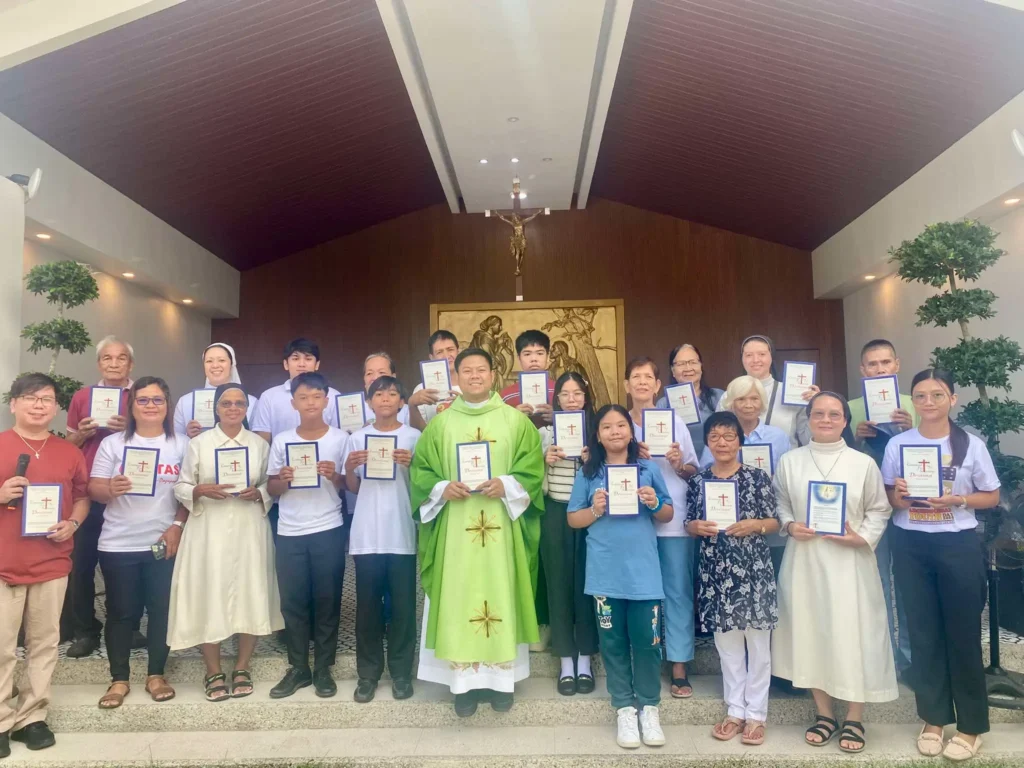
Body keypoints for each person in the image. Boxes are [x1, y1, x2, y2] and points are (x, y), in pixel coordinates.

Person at [409, 348, 544, 717]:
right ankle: (463, 685)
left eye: (481, 370)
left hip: (503, 528)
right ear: (457, 376)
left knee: (501, 589)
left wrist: (508, 484)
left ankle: (501, 682)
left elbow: (533, 469)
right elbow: (421, 473)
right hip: (456, 529)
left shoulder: (516, 422)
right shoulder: (440, 425)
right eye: (466, 370)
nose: (474, 376)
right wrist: (441, 488)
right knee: (460, 593)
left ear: (492, 375)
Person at [883, 370, 999, 762]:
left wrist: (959, 500)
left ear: (952, 399)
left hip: (957, 544)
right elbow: (891, 496)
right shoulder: (899, 444)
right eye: (920, 395)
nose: (928, 402)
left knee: (963, 634)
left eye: (937, 394)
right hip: (911, 544)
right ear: (912, 401)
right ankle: (933, 719)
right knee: (923, 632)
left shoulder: (971, 445)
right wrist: (899, 497)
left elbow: (991, 495)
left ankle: (970, 726)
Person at [773, 392, 897, 754]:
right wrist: (790, 525)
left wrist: (862, 537)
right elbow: (780, 502)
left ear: (845, 421)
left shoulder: (863, 463)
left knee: (853, 634)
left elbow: (879, 509)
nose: (825, 420)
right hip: (805, 560)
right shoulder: (790, 461)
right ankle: (824, 713)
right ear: (808, 419)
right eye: (818, 414)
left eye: (833, 414)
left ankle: (854, 716)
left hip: (850, 563)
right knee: (810, 632)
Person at [566, 404, 673, 749]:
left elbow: (668, 514)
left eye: (621, 425)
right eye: (607, 427)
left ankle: (649, 708)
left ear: (631, 431)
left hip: (643, 573)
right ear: (597, 435)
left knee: (648, 643)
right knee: (612, 644)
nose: (615, 431)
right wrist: (595, 509)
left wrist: (654, 502)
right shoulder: (588, 473)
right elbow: (573, 519)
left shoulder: (648, 468)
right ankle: (624, 708)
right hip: (605, 573)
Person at [169, 383, 283, 701]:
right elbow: (181, 484)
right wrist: (198, 490)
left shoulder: (259, 445)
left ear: (247, 409)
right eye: (226, 403)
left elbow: (269, 484)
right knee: (210, 593)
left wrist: (259, 493)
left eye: (239, 403)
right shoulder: (199, 444)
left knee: (251, 591)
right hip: (209, 530)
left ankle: (243, 665)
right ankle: (212, 670)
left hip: (249, 527)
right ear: (216, 409)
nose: (233, 408)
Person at [0, 373, 89, 755]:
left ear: (55, 408)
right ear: (13, 404)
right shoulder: (1, 444)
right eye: (31, 398)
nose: (39, 405)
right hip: (4, 564)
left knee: (44, 644)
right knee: (2, 647)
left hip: (52, 562)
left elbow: (82, 497)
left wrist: (73, 524)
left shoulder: (68, 451)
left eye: (47, 399)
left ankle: (32, 717)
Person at [89, 377, 187, 708]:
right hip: (119, 543)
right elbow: (94, 488)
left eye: (157, 399)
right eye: (142, 400)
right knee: (121, 613)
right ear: (131, 406)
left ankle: (156, 675)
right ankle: (119, 679)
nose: (150, 406)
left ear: (167, 405)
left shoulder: (182, 444)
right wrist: (110, 489)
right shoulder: (113, 444)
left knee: (161, 610)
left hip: (163, 542)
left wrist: (177, 526)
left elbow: (188, 492)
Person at [686, 411, 779, 747]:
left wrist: (755, 525)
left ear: (740, 441)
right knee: (727, 647)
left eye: (729, 436)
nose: (722, 442)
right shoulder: (698, 481)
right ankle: (735, 710)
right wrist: (695, 527)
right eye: (715, 437)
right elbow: (688, 522)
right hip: (716, 571)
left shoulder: (757, 477)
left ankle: (757, 715)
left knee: (758, 646)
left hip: (753, 571)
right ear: (707, 443)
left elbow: (775, 522)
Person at [265, 373, 346, 699]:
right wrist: (282, 480)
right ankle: (298, 667)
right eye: (303, 397)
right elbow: (272, 487)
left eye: (316, 396)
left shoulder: (340, 439)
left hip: (328, 527)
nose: (310, 402)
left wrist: (334, 475)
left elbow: (349, 485)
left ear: (326, 400)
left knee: (328, 599)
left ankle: (324, 668)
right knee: (293, 602)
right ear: (293, 403)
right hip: (290, 530)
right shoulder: (282, 440)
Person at [342, 375, 421, 703]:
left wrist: (413, 465)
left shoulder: (413, 437)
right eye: (379, 394)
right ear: (369, 401)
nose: (385, 399)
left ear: (402, 402)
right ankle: (368, 675)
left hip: (401, 531)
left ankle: (401, 673)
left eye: (392, 394)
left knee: (403, 607)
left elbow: (424, 485)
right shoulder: (357, 438)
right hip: (367, 533)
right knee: (368, 608)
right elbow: (353, 487)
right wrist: (349, 468)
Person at [624, 357, 698, 699]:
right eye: (635, 377)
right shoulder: (619, 423)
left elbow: (693, 471)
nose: (642, 382)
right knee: (637, 593)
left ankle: (679, 663)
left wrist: (678, 463)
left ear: (657, 385)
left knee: (677, 591)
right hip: (632, 520)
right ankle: (643, 660)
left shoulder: (675, 422)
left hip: (673, 519)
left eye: (648, 377)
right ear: (626, 385)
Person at [847, 339, 917, 683]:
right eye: (872, 364)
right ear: (863, 370)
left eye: (885, 362)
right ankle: (883, 655)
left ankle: (911, 658)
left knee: (907, 582)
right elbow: (841, 457)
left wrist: (910, 429)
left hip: (909, 507)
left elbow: (934, 450)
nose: (879, 369)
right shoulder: (850, 408)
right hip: (867, 507)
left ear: (896, 365)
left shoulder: (915, 403)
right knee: (875, 584)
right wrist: (857, 439)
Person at [63, 335, 134, 657]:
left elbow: (154, 439)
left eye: (121, 358)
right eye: (107, 358)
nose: (114, 363)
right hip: (86, 492)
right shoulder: (82, 396)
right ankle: (85, 630)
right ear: (98, 363)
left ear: (130, 364)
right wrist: (81, 434)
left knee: (123, 564)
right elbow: (68, 447)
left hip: (128, 492)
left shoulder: (140, 395)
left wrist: (128, 428)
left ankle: (127, 627)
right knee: (81, 564)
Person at [538, 372, 599, 695]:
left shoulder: (596, 431)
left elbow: (610, 476)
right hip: (555, 514)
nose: (572, 399)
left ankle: (585, 660)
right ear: (557, 398)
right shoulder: (545, 434)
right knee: (558, 585)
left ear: (585, 397)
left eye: (577, 393)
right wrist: (544, 461)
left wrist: (593, 462)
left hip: (591, 517)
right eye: (565, 394)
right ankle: (565, 662)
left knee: (587, 587)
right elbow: (532, 481)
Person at [706, 377, 792, 581]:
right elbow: (705, 473)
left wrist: (773, 478)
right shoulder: (718, 438)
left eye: (754, 398)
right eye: (741, 399)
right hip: (728, 526)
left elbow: (787, 479)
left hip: (769, 522)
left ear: (762, 402)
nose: (748, 404)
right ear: (731, 403)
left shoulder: (778, 437)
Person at [251, 338, 341, 442]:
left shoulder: (334, 396)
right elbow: (263, 441)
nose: (301, 364)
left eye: (308, 359)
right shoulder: (269, 397)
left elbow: (340, 435)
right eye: (295, 358)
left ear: (317, 364)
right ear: (286, 364)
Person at [725, 335, 805, 449]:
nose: (755, 360)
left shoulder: (791, 393)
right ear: (742, 359)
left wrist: (814, 405)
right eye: (748, 355)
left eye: (762, 354)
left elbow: (808, 439)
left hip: (784, 458)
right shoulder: (729, 394)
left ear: (771, 357)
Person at [173, 343, 258, 438]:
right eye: (209, 361)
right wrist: (187, 435)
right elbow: (176, 440)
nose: (215, 365)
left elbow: (256, 439)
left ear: (232, 364)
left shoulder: (251, 402)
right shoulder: (185, 401)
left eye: (221, 360)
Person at [656, 343, 724, 456]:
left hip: (714, 462)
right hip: (678, 463)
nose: (688, 368)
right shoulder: (663, 404)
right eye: (681, 364)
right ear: (673, 371)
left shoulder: (718, 397)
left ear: (701, 367)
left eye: (693, 362)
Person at [500, 329, 556, 426]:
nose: (534, 359)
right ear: (519, 358)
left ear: (548, 357)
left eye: (540, 353)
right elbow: (498, 428)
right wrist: (514, 417)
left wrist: (558, 417)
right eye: (527, 354)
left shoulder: (560, 391)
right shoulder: (505, 396)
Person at [409, 330, 462, 425]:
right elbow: (420, 431)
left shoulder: (471, 386)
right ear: (431, 357)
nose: (446, 356)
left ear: (458, 352)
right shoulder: (422, 389)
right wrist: (412, 404)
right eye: (439, 352)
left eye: (450, 349)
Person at [360, 352, 413, 427]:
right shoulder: (352, 412)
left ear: (393, 377)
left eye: (381, 372)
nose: (375, 378)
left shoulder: (406, 411)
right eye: (369, 373)